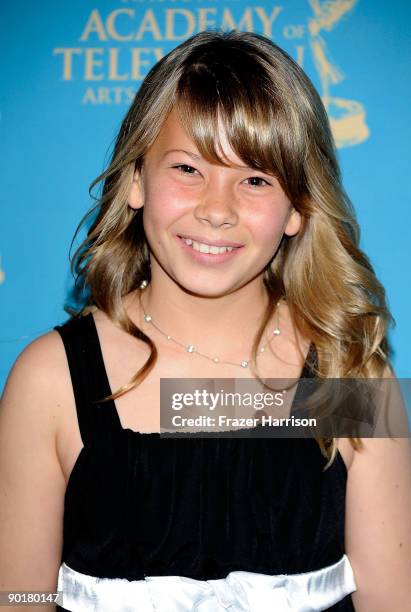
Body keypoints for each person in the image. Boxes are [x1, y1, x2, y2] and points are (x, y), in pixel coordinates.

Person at [0, 30, 410, 612]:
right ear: (136, 179)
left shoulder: (350, 377)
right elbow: (17, 596)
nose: (217, 210)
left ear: (298, 208)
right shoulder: (51, 380)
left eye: (255, 179)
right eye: (188, 169)